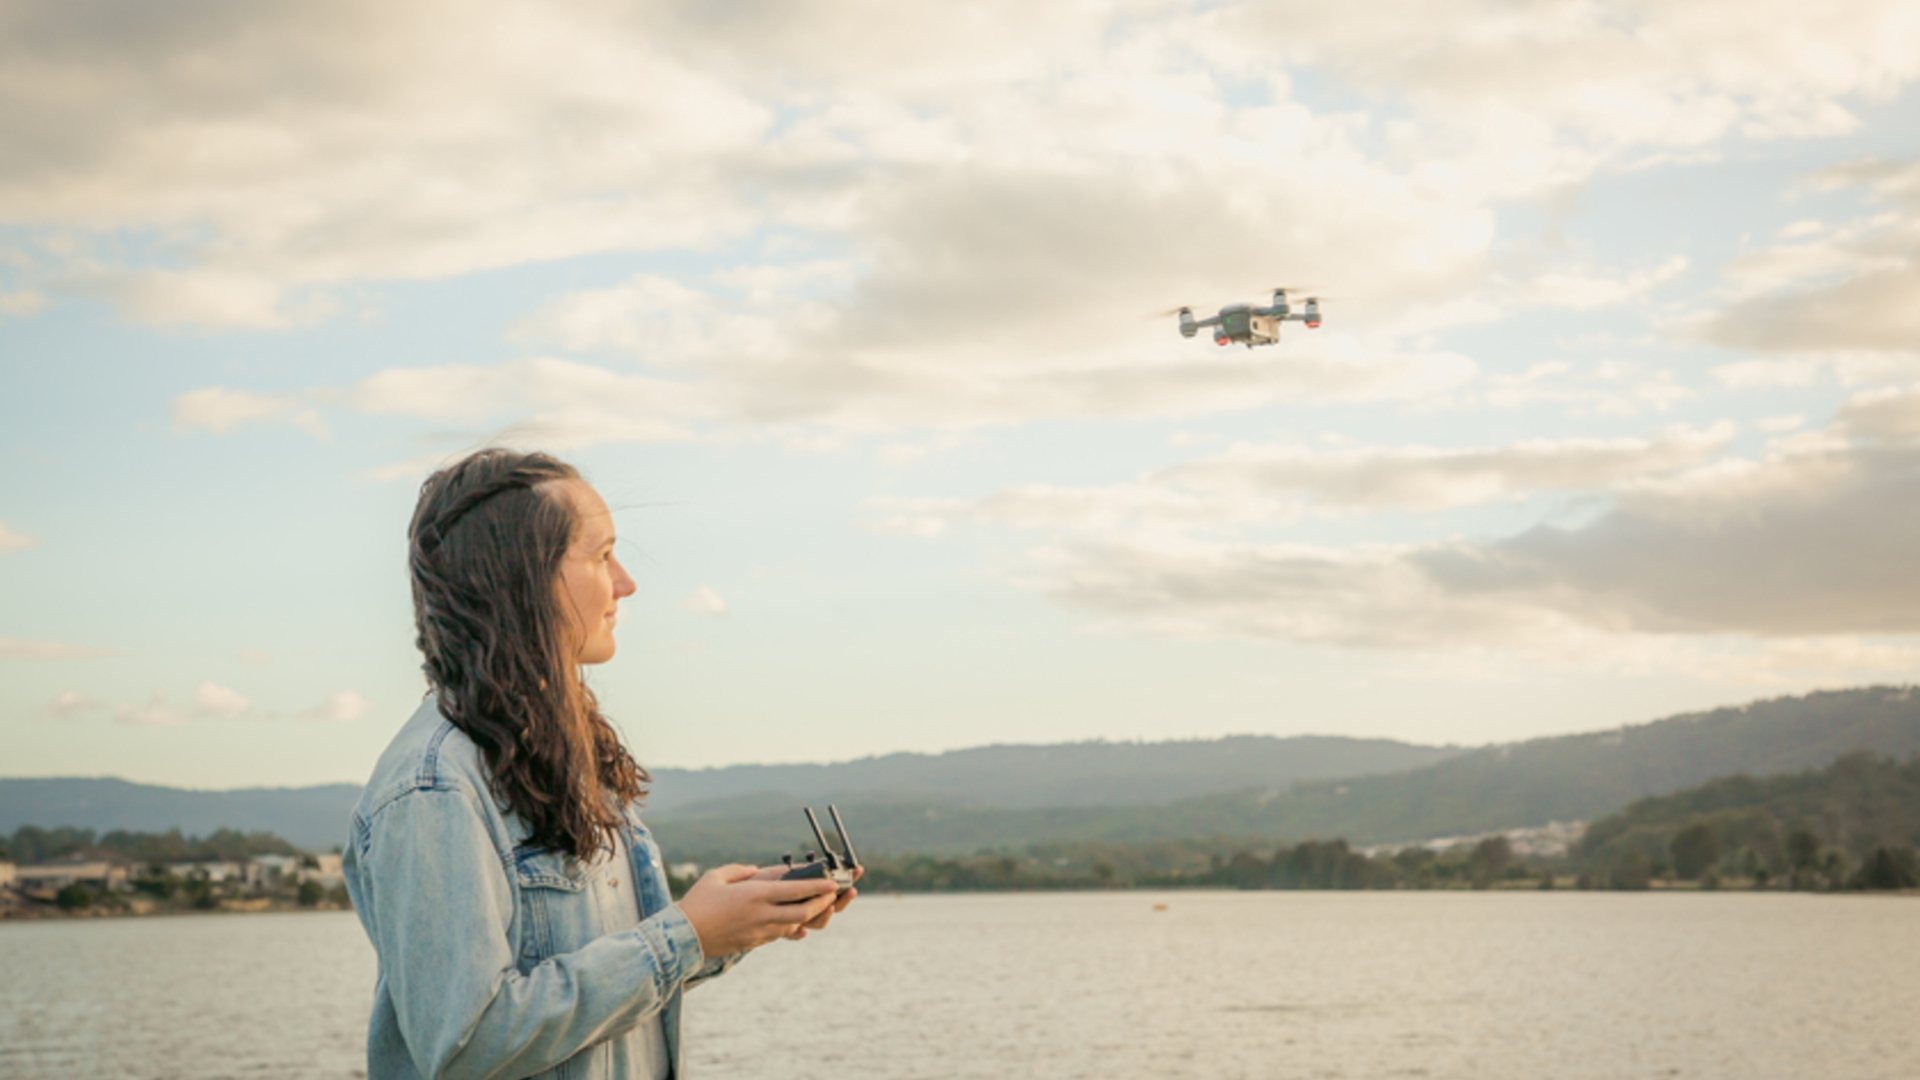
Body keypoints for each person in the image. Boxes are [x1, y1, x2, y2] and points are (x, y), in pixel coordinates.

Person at [343, 448, 855, 1080]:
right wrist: (686, 936)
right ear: (523, 578)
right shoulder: (434, 788)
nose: (625, 583)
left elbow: (613, 985)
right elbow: (466, 1044)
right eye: (601, 555)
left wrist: (733, 927)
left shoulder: (557, 756)